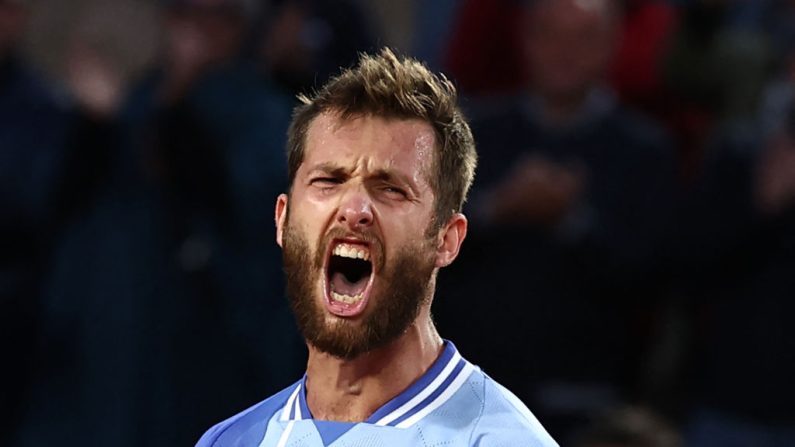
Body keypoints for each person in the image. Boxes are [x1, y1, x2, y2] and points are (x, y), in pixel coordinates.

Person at [196, 48, 558, 447]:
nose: (353, 210)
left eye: (390, 189)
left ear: (446, 239)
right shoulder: (229, 441)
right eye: (329, 181)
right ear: (283, 219)